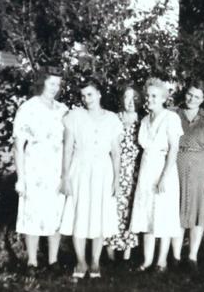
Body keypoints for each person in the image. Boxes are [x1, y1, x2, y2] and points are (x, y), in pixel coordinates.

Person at [60, 79, 122, 280]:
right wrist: (65, 176)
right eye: (84, 95)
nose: (87, 99)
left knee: (99, 213)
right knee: (79, 212)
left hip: (103, 171)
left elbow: (116, 152)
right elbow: (68, 148)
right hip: (80, 169)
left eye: (90, 94)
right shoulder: (74, 116)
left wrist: (116, 179)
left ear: (99, 94)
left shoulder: (112, 119)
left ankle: (95, 260)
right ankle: (80, 260)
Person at [13, 71, 69, 275]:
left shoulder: (63, 110)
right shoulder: (28, 108)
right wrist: (21, 178)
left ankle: (53, 261)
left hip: (57, 169)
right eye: (51, 83)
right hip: (35, 168)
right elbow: (18, 145)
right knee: (33, 213)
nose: (55, 87)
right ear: (42, 83)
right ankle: (32, 262)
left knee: (55, 213)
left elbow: (70, 141)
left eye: (58, 84)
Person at [129, 78, 183, 272]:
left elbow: (174, 150)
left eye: (154, 96)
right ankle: (147, 260)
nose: (150, 99)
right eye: (149, 95)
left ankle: (162, 262)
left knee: (163, 216)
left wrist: (164, 177)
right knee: (147, 215)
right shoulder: (144, 120)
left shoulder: (171, 118)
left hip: (163, 169)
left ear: (163, 98)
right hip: (146, 168)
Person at [171, 81, 204, 270]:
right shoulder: (173, 113)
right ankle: (175, 257)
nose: (191, 99)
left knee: (198, 214)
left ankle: (192, 257)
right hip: (175, 170)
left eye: (196, 96)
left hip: (202, 172)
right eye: (189, 94)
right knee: (176, 212)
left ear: (202, 99)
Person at [104, 86, 141, 262]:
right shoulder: (113, 119)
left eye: (134, 98)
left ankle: (127, 253)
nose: (130, 102)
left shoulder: (143, 121)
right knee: (113, 209)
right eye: (127, 97)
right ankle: (110, 252)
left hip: (135, 172)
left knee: (131, 210)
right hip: (114, 170)